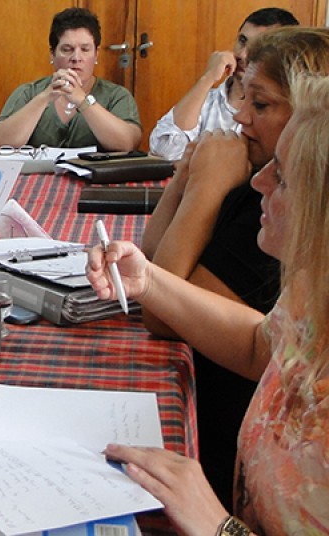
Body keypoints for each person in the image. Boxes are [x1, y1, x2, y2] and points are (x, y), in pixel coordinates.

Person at [88, 71, 329, 536]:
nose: (258, 180)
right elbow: (259, 345)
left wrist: (220, 526)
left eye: (281, 176)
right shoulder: (312, 286)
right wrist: (149, 282)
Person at [140, 27, 329, 510]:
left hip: (220, 441)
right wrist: (188, 176)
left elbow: (160, 315)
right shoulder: (309, 281)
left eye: (260, 104)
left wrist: (205, 188)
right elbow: (259, 343)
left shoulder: (275, 221)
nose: (241, 116)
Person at [148, 8, 298, 161]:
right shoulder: (205, 99)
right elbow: (164, 151)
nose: (242, 55)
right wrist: (207, 78)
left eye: (257, 48)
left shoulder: (288, 109)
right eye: (242, 41)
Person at [0, 7, 141, 152]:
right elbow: (1, 142)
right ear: (52, 54)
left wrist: (82, 101)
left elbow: (128, 143)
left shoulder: (116, 95)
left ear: (96, 54)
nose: (76, 58)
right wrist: (45, 97)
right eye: (67, 49)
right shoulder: (29, 92)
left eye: (85, 49)